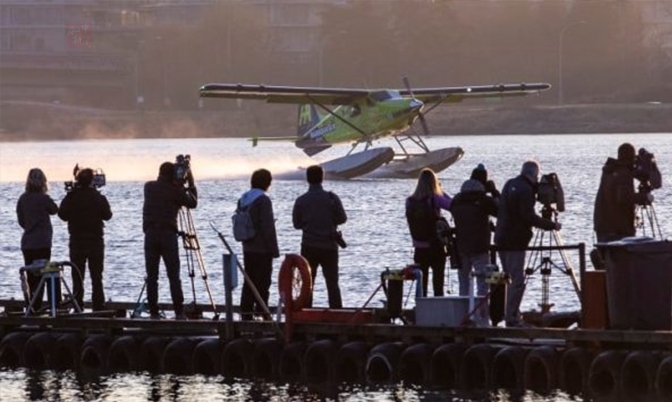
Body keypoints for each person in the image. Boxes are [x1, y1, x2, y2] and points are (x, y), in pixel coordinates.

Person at [494, 160, 560, 327]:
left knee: (505, 277)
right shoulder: (526, 190)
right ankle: (512, 318)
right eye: (537, 177)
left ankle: (504, 314)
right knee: (517, 281)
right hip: (515, 240)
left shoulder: (510, 184)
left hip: (501, 238)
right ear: (533, 174)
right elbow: (528, 216)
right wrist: (551, 225)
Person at [143, 161, 197, 320]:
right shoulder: (176, 191)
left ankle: (153, 312)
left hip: (150, 234)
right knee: (174, 275)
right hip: (168, 235)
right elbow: (193, 203)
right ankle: (179, 312)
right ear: (172, 174)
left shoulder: (148, 187)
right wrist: (191, 182)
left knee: (152, 276)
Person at [58, 168, 113, 311]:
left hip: (77, 241)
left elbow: (62, 215)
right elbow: (107, 215)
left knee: (77, 276)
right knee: (96, 276)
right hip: (95, 241)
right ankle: (98, 306)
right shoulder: (97, 197)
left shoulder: (72, 196)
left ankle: (78, 305)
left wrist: (69, 195)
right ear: (91, 180)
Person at [293, 165, 347, 309]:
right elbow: (343, 219)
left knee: (308, 283)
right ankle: (337, 314)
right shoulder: (332, 197)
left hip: (309, 247)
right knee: (332, 284)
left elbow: (296, 224)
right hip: (329, 246)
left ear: (307, 179)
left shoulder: (301, 200)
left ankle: (306, 312)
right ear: (323, 178)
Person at [16, 168, 59, 312]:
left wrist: (30, 226)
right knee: (43, 275)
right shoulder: (43, 198)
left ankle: (31, 305)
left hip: (27, 242)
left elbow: (21, 221)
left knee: (31, 276)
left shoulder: (23, 198)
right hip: (43, 242)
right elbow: (55, 210)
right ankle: (39, 306)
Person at [405, 168, 452, 297]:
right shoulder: (434, 198)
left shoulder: (410, 201)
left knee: (421, 284)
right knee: (438, 283)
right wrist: (442, 192)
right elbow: (452, 205)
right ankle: (437, 311)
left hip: (419, 248)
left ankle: (420, 309)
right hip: (435, 247)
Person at [240, 169, 280, 320]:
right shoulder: (263, 200)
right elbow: (268, 228)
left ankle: (246, 313)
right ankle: (263, 312)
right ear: (266, 183)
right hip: (262, 249)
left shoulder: (244, 198)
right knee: (263, 282)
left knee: (249, 281)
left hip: (247, 247)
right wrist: (274, 250)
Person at [449, 178, 498, 300]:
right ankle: (481, 311)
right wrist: (494, 192)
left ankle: (463, 310)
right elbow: (500, 210)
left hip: (461, 246)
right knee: (482, 282)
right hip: (480, 247)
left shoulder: (456, 201)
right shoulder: (483, 201)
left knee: (464, 282)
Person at [594, 143, 651, 243]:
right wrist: (645, 197)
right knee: (622, 257)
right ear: (630, 157)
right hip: (618, 229)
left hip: (603, 226)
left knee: (607, 257)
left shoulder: (609, 171)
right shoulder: (623, 172)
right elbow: (624, 198)